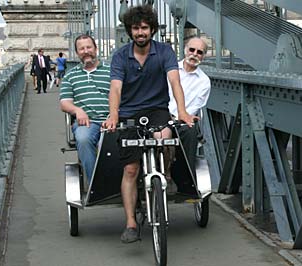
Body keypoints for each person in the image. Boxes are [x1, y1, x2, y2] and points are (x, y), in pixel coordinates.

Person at [103, 5, 196, 244]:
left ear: (152, 29)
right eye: (136, 28)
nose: (140, 32)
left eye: (144, 27)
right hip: (129, 113)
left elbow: (175, 82)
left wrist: (183, 111)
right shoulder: (120, 56)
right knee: (131, 169)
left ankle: (164, 175)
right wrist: (113, 115)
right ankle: (131, 223)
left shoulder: (164, 51)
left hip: (157, 111)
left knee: (164, 137)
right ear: (130, 31)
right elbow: (115, 87)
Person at [60, 35, 110, 184]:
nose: (86, 51)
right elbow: (64, 103)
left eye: (89, 47)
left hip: (111, 120)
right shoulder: (70, 76)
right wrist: (77, 110)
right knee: (83, 138)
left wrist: (114, 115)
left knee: (107, 143)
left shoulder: (112, 71)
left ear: (96, 49)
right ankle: (97, 183)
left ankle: (120, 183)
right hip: (87, 123)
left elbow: (123, 96)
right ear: (77, 53)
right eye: (81, 49)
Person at [168, 37, 211, 173]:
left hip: (182, 120)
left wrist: (179, 118)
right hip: (162, 115)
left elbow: (194, 108)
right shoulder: (170, 69)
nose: (194, 54)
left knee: (190, 131)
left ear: (203, 56)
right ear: (185, 50)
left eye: (199, 52)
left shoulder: (204, 82)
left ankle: (187, 179)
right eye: (192, 50)